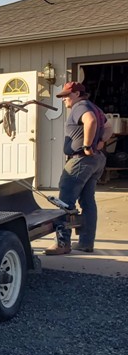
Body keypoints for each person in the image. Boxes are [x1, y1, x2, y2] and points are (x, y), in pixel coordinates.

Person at [45, 81, 113, 255]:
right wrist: (100, 142)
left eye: (66, 96)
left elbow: (89, 121)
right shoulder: (94, 107)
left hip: (81, 160)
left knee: (65, 201)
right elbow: (108, 126)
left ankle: (62, 243)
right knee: (88, 201)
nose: (64, 100)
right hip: (96, 161)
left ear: (76, 94)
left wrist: (87, 146)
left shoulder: (80, 106)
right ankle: (85, 242)